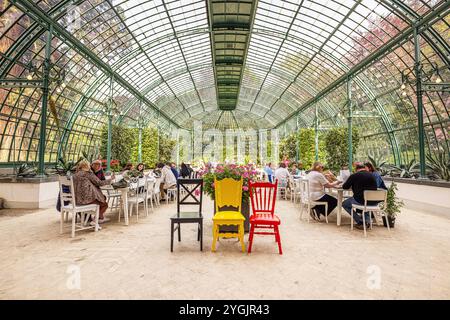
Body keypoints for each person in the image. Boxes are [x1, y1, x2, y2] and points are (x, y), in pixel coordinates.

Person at [342, 163, 379, 230]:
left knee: (345, 204)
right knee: (366, 202)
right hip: (374, 201)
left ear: (356, 169)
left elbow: (345, 187)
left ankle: (360, 221)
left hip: (360, 200)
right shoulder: (372, 175)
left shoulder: (354, 175)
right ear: (364, 168)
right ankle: (367, 222)